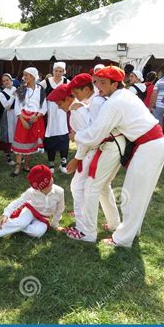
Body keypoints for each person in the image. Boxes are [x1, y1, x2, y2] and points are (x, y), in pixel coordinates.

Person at [74, 66, 164, 248]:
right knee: (139, 193)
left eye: (102, 83)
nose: (98, 86)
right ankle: (131, 230)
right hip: (152, 144)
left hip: (149, 146)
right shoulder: (124, 95)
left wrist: (76, 136)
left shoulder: (114, 102)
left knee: (133, 194)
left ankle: (122, 239)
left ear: (114, 84)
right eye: (96, 82)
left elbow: (96, 133)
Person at [50, 74, 123, 243]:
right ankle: (111, 223)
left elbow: (90, 139)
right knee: (100, 187)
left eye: (60, 103)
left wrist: (77, 158)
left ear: (69, 99)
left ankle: (84, 229)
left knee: (78, 187)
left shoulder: (79, 110)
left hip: (93, 152)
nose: (59, 107)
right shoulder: (81, 107)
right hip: (99, 150)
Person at [0, 165, 65, 241]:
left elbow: (60, 209)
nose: (51, 182)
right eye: (48, 184)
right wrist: (6, 214)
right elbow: (18, 202)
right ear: (39, 188)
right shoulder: (31, 192)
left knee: (37, 233)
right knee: (21, 223)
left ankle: (17, 226)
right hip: (31, 210)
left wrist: (55, 224)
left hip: (44, 217)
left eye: (50, 179)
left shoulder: (59, 191)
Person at [10, 67, 47, 177]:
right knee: (21, 141)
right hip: (23, 118)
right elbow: (17, 106)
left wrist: (37, 116)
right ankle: (17, 167)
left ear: (33, 76)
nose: (24, 77)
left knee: (32, 142)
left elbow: (43, 106)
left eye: (27, 75)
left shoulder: (40, 90)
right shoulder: (21, 89)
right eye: (24, 75)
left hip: (36, 118)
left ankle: (26, 165)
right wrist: (22, 120)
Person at [40, 62, 69, 174]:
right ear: (53, 71)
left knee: (63, 135)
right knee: (51, 137)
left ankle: (63, 163)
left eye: (60, 71)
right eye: (56, 70)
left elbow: (75, 92)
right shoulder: (46, 82)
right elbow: (36, 89)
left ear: (64, 72)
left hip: (62, 112)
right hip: (50, 113)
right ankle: (51, 164)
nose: (58, 73)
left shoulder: (66, 82)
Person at [0, 73, 17, 165]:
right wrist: (13, 96)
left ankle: (18, 154)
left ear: (11, 80)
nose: (6, 82)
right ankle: (8, 156)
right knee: (9, 134)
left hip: (18, 114)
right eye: (4, 81)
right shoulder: (2, 93)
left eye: (7, 80)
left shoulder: (16, 89)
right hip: (9, 114)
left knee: (17, 133)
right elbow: (7, 106)